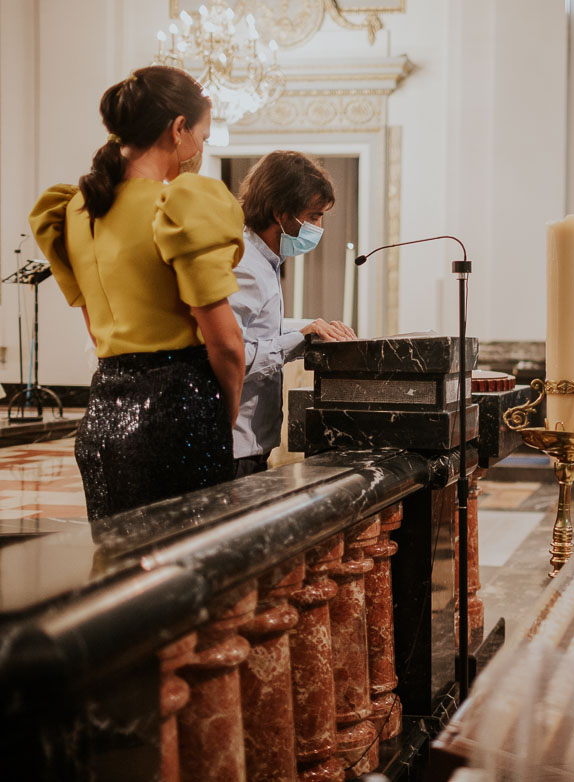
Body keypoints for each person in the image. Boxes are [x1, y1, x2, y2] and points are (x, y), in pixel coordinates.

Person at [28, 66, 244, 523]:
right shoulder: (178, 205)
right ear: (178, 129)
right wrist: (221, 417)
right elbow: (226, 345)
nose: (201, 147)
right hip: (179, 411)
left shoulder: (73, 210)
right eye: (201, 135)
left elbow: (93, 326)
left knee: (118, 570)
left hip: (104, 412)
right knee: (190, 572)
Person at [231, 151, 356, 477]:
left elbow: (258, 328)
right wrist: (297, 342)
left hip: (253, 440)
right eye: (313, 217)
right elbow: (229, 353)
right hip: (235, 443)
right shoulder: (245, 266)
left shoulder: (265, 263)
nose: (318, 227)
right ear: (280, 212)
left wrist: (313, 329)